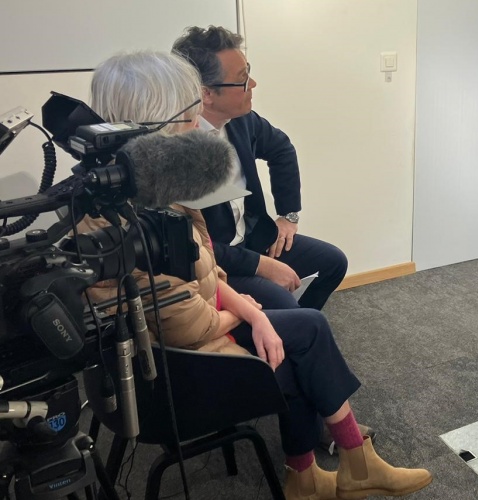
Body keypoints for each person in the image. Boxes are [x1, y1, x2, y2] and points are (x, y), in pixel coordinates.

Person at [82, 51, 431, 500]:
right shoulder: (123, 217)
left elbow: (207, 275)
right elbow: (186, 320)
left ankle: (316, 472)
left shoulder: (153, 194)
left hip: (197, 333)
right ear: (157, 122)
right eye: (189, 115)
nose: (197, 125)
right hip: (177, 372)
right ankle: (337, 464)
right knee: (305, 342)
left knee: (301, 328)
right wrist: (251, 315)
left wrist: (254, 313)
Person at [171, 25, 347, 312]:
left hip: (255, 240)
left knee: (332, 262)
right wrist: (260, 265)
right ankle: (289, 333)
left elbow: (282, 149)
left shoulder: (243, 120)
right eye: (242, 79)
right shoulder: (175, 148)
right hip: (215, 263)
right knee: (283, 304)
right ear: (206, 94)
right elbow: (193, 247)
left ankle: (292, 333)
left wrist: (288, 215)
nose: (252, 84)